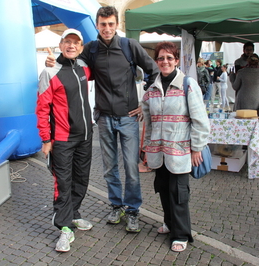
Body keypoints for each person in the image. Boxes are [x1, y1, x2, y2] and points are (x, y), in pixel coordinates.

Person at [46, 6, 159, 233]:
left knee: (131, 168)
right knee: (110, 169)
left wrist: (144, 104)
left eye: (110, 24)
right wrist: (54, 62)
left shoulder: (130, 46)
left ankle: (133, 210)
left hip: (127, 118)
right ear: (97, 25)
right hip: (104, 118)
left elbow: (153, 71)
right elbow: (72, 61)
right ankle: (116, 206)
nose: (107, 28)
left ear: (116, 25)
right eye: (102, 24)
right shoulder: (91, 49)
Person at [142, 41, 210, 252]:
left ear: (177, 60)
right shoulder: (152, 88)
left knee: (178, 192)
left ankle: (180, 234)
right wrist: (146, 148)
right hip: (159, 151)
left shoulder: (188, 84)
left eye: (169, 58)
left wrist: (197, 147)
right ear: (156, 61)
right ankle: (169, 223)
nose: (165, 62)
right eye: (161, 58)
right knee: (163, 188)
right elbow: (148, 121)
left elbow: (200, 120)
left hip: (181, 151)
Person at [36, 29, 93, 252]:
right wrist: (45, 139)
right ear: (60, 45)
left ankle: (74, 214)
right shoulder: (49, 72)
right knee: (63, 183)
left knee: (81, 180)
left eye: (75, 43)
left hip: (85, 137)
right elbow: (42, 108)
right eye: (67, 42)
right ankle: (64, 227)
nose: (71, 46)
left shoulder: (84, 68)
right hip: (62, 139)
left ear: (80, 47)